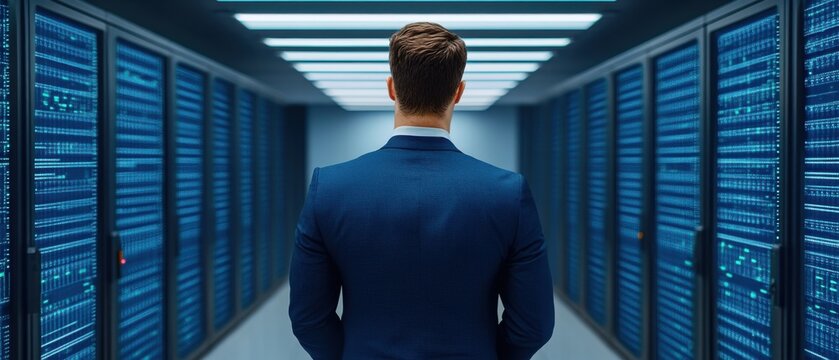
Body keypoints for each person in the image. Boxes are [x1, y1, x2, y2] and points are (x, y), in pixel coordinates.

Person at [289, 22, 554, 360]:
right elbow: (534, 324)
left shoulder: (330, 188)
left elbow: (308, 319)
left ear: (391, 89)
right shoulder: (506, 193)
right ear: (458, 92)